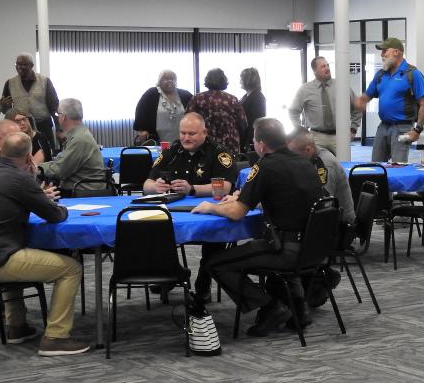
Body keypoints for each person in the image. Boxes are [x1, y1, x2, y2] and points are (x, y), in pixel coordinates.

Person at [0, 131, 88, 356]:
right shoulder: (19, 179)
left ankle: (16, 326)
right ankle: (55, 338)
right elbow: (55, 215)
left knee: (15, 249)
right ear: (30, 157)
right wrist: (45, 193)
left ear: (0, 151)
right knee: (71, 268)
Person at [192, 118, 323, 337]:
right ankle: (298, 309)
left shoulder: (266, 166)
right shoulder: (305, 163)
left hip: (285, 249)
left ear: (261, 145)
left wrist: (210, 207)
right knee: (256, 249)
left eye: (254, 140)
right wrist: (239, 199)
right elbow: (283, 196)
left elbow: (236, 213)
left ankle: (271, 307)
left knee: (214, 264)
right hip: (313, 248)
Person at [143, 112, 239, 301]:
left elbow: (225, 187)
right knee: (154, 229)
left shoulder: (219, 153)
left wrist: (192, 189)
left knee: (214, 240)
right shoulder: (172, 151)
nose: (186, 138)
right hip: (174, 211)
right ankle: (173, 274)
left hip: (209, 211)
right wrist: (156, 186)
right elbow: (146, 185)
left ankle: (203, 287)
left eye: (192, 134)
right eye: (183, 133)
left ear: (204, 132)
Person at [354, 38, 424, 163]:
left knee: (398, 166)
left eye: (385, 51)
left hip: (402, 127)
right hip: (383, 126)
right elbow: (366, 96)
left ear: (396, 52)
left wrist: (418, 130)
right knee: (376, 166)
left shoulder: (413, 74)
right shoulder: (381, 74)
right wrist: (359, 101)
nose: (381, 55)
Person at [289, 56, 360, 154]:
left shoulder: (341, 85)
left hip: (340, 135)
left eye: (327, 65)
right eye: (323, 66)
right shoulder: (305, 89)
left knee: (341, 165)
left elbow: (357, 107)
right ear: (315, 71)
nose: (327, 68)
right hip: (316, 136)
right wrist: (300, 131)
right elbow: (293, 111)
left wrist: (353, 129)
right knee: (317, 165)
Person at [286, 127, 355, 223]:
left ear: (308, 150)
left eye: (293, 154)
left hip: (339, 223)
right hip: (327, 217)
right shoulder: (310, 158)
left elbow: (324, 204)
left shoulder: (325, 164)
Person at [37, 99, 106, 195]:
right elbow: (61, 162)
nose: (57, 118)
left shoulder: (79, 139)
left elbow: (59, 170)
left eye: (58, 114)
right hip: (82, 188)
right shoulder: (79, 134)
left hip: (83, 192)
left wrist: (36, 168)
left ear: (64, 117)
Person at [0, 53, 60, 151]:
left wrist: (59, 128)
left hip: (43, 125)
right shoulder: (10, 83)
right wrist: (2, 106)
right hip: (21, 127)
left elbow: (54, 106)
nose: (20, 67)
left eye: (24, 64)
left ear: (32, 66)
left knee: (47, 152)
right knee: (22, 153)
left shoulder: (44, 81)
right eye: (17, 64)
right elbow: (7, 110)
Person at [187, 68, 247, 155]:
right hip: (229, 144)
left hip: (204, 143)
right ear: (224, 80)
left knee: (205, 167)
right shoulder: (232, 99)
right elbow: (243, 123)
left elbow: (188, 121)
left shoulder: (197, 99)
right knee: (229, 167)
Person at [133, 70, 193, 145]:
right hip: (157, 139)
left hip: (182, 137)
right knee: (162, 156)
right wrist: (142, 130)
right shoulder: (151, 93)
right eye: (166, 79)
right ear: (160, 81)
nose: (170, 81)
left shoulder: (185, 94)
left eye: (172, 79)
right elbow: (141, 112)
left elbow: (194, 112)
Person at [239, 67, 266, 151]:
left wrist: (249, 141)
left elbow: (256, 121)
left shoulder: (258, 97)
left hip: (251, 137)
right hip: (245, 135)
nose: (240, 81)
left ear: (248, 80)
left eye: (241, 79)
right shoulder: (246, 95)